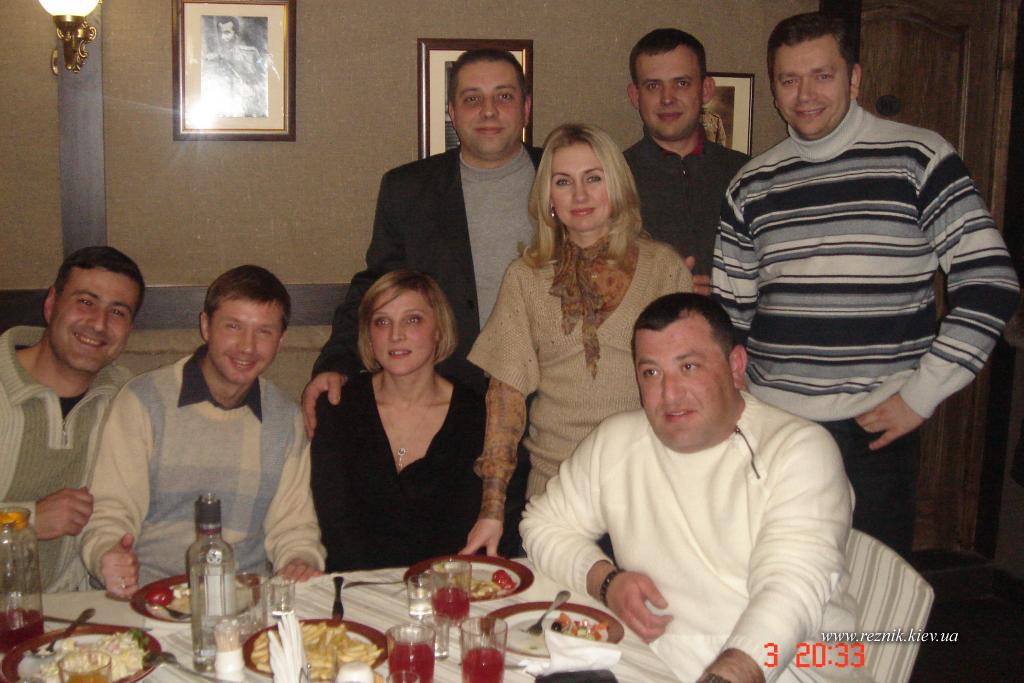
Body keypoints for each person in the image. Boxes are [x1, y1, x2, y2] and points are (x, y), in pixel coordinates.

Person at [713, 12, 1020, 557]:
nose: (805, 94)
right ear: (776, 90)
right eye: (789, 79)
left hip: (874, 433)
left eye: (822, 75)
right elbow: (731, 315)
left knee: (872, 592)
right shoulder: (750, 185)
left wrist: (921, 395)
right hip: (773, 428)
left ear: (854, 78)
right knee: (773, 579)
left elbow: (990, 283)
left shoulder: (918, 159)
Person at [521, 293, 861, 683]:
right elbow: (543, 525)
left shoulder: (799, 450)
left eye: (689, 366)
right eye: (651, 372)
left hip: (786, 669)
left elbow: (790, 592)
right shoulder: (617, 441)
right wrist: (606, 582)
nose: (669, 393)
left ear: (735, 366)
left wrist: (729, 674)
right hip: (651, 665)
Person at [462, 123, 693, 555]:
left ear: (617, 186)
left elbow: (689, 388)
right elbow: (505, 398)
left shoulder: (663, 268)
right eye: (564, 182)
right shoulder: (526, 277)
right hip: (555, 492)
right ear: (548, 198)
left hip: (647, 492)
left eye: (593, 178)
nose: (580, 195)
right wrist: (492, 508)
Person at [304, 48, 541, 423]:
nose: (489, 111)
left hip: (549, 401)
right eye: (472, 99)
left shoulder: (567, 178)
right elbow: (378, 287)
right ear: (452, 112)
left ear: (525, 108)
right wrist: (337, 362)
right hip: (447, 403)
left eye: (504, 96)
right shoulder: (408, 190)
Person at [81, 265, 325, 594]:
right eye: (233, 326)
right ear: (206, 326)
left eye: (264, 332)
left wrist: (300, 559)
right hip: (148, 594)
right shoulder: (144, 401)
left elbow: (294, 526)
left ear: (280, 341)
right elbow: (110, 511)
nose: (247, 346)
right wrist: (107, 553)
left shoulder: (284, 419)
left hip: (246, 596)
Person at [311, 271, 484, 571]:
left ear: (439, 329)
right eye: (382, 322)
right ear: (368, 335)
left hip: (447, 585)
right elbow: (334, 524)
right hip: (354, 585)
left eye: (412, 319)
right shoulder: (339, 407)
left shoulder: (475, 414)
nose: (395, 334)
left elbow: (465, 527)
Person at [0, 247, 144, 592]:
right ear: (52, 304)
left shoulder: (126, 400)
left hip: (71, 613)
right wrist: (27, 521)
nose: (99, 323)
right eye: (85, 302)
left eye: (118, 312)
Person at [624, 28, 748, 295]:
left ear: (706, 90)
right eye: (653, 85)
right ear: (635, 96)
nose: (667, 98)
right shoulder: (610, 180)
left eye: (681, 83)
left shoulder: (748, 177)